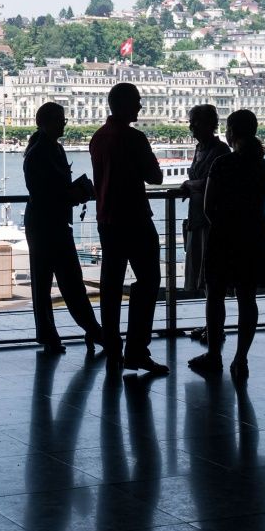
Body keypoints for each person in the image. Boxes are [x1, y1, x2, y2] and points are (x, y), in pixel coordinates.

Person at [189, 109, 265, 380]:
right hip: (254, 233)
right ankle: (241, 358)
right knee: (247, 298)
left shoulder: (223, 164)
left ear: (231, 132)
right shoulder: (261, 165)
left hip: (224, 235)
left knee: (215, 296)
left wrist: (221, 224)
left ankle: (214, 354)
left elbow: (209, 206)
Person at [90, 81, 166, 375]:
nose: (140, 106)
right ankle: (137, 350)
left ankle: (112, 346)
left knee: (110, 286)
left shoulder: (98, 138)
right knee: (148, 282)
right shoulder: (135, 138)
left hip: (106, 220)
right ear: (124, 105)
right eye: (136, 101)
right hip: (134, 218)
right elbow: (156, 177)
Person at [22, 101, 109, 354]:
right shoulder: (49, 151)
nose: (64, 123)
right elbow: (51, 193)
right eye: (60, 119)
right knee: (71, 281)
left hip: (42, 222)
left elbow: (42, 192)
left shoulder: (39, 151)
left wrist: (70, 194)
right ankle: (93, 330)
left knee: (43, 282)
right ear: (47, 122)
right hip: (54, 223)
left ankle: (51, 336)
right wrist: (76, 194)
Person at [180, 105, 226, 302]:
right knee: (204, 274)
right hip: (198, 218)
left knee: (210, 274)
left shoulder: (219, 150)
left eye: (195, 123)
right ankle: (212, 325)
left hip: (210, 220)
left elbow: (213, 181)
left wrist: (189, 184)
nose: (191, 127)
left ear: (209, 124)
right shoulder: (202, 148)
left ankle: (214, 327)